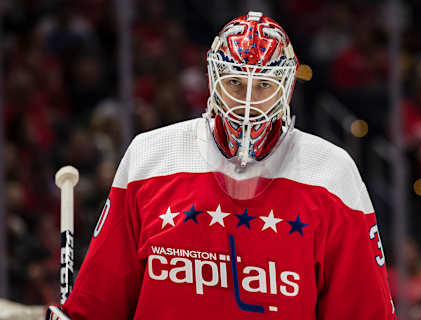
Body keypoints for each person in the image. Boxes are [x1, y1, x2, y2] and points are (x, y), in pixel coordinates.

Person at [48, 11, 396, 319]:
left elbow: (364, 310)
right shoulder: (151, 155)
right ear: (213, 79)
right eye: (235, 83)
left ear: (285, 88)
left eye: (263, 85)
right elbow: (99, 303)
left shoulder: (332, 173)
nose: (247, 102)